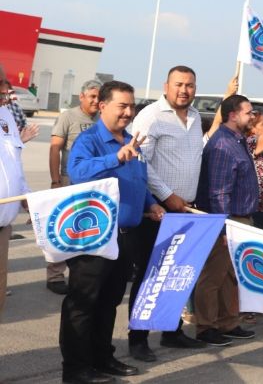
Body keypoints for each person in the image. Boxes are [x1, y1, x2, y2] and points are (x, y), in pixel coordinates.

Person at [63, 80, 166, 384]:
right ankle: (76, 368)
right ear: (103, 105)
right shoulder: (90, 140)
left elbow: (138, 179)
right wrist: (115, 157)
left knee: (109, 302)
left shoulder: (133, 140)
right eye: (122, 106)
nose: (128, 112)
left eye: (131, 106)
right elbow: (77, 172)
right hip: (95, 235)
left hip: (126, 235)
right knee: (83, 304)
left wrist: (151, 204)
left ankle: (102, 358)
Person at [127, 66, 209, 360]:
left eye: (189, 85)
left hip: (187, 209)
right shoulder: (151, 116)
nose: (184, 90)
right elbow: (139, 161)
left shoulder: (197, 117)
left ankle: (172, 331)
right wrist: (166, 195)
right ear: (166, 85)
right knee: (149, 278)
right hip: (158, 211)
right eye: (178, 84)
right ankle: (137, 338)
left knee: (176, 276)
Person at [193, 95, 260, 346]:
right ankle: (206, 326)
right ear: (233, 114)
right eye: (248, 112)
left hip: (240, 218)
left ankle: (228, 322)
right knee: (213, 276)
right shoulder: (222, 144)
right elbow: (219, 191)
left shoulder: (237, 140)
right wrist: (222, 226)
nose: (252, 116)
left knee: (231, 276)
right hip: (227, 219)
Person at [46, 79, 101, 296]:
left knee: (87, 229)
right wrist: (55, 180)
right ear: (82, 96)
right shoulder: (68, 116)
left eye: (99, 97)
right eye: (92, 97)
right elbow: (55, 149)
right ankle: (55, 275)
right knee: (63, 229)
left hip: (95, 183)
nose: (96, 101)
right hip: (69, 180)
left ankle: (81, 273)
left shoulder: (102, 119)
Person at [0, 90, 31, 321]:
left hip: (3, 226)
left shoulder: (6, 115)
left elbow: (15, 162)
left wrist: (26, 195)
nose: (5, 90)